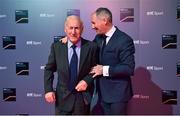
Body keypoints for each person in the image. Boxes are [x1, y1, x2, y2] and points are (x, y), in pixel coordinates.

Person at [44, 15, 98, 115]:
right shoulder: (57, 47)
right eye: (71, 28)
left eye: (76, 28)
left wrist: (87, 81)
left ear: (82, 29)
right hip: (62, 100)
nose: (73, 32)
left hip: (82, 100)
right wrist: (48, 90)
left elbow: (95, 69)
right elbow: (49, 69)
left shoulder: (91, 47)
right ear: (65, 29)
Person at [90, 7, 135, 115]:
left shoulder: (124, 40)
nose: (92, 26)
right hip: (101, 94)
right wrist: (71, 40)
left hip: (117, 96)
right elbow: (88, 49)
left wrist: (104, 70)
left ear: (104, 20)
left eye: (94, 23)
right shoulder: (98, 38)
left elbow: (129, 68)